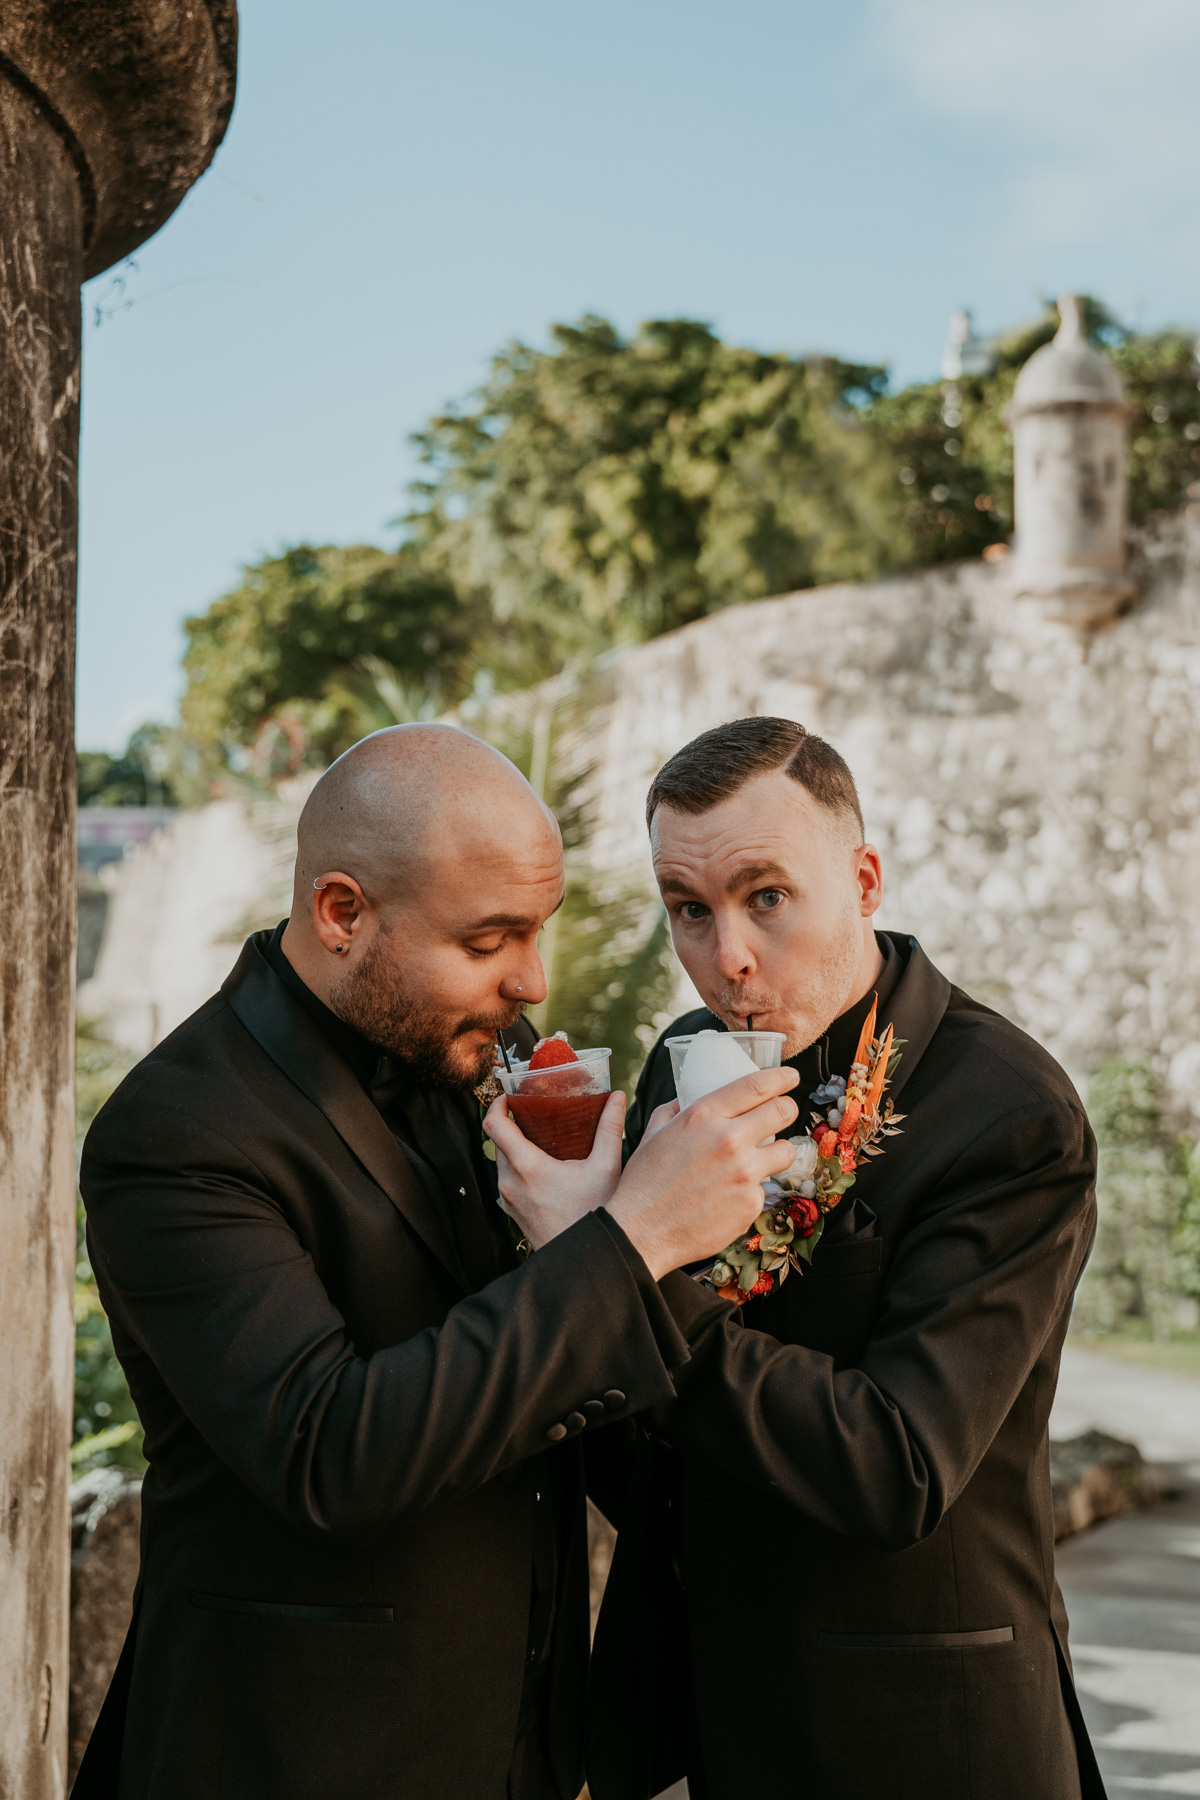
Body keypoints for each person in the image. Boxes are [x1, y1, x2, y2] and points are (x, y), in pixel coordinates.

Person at [75, 723, 801, 1800]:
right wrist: (632, 1236)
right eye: (488, 941)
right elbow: (331, 1452)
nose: (533, 981)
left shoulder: (466, 1061)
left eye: (539, 932)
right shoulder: (178, 1130)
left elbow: (549, 1384)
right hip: (297, 1756)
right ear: (340, 914)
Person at [488, 717, 1107, 1800]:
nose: (725, 956)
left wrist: (621, 1268)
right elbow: (650, 1431)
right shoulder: (686, 1059)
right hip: (711, 1723)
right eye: (690, 909)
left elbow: (897, 1469)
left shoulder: (1008, 1111)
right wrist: (557, 1266)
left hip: (921, 1737)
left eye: (764, 896)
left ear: (863, 879)